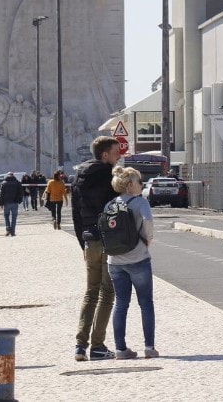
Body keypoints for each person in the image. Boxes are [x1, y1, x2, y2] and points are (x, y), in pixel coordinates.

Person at [70, 136, 122, 361]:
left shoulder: (78, 177)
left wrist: (83, 242)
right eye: (116, 152)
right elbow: (118, 208)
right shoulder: (110, 176)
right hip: (108, 240)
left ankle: (80, 346)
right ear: (105, 155)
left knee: (90, 292)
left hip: (90, 239)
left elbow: (74, 213)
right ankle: (98, 346)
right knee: (107, 293)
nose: (119, 155)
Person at [107, 166, 158, 360]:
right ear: (130, 185)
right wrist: (148, 240)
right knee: (145, 303)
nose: (141, 185)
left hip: (115, 261)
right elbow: (148, 223)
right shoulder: (140, 203)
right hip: (138, 258)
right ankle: (149, 347)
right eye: (139, 181)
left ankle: (120, 349)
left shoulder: (110, 204)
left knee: (120, 303)